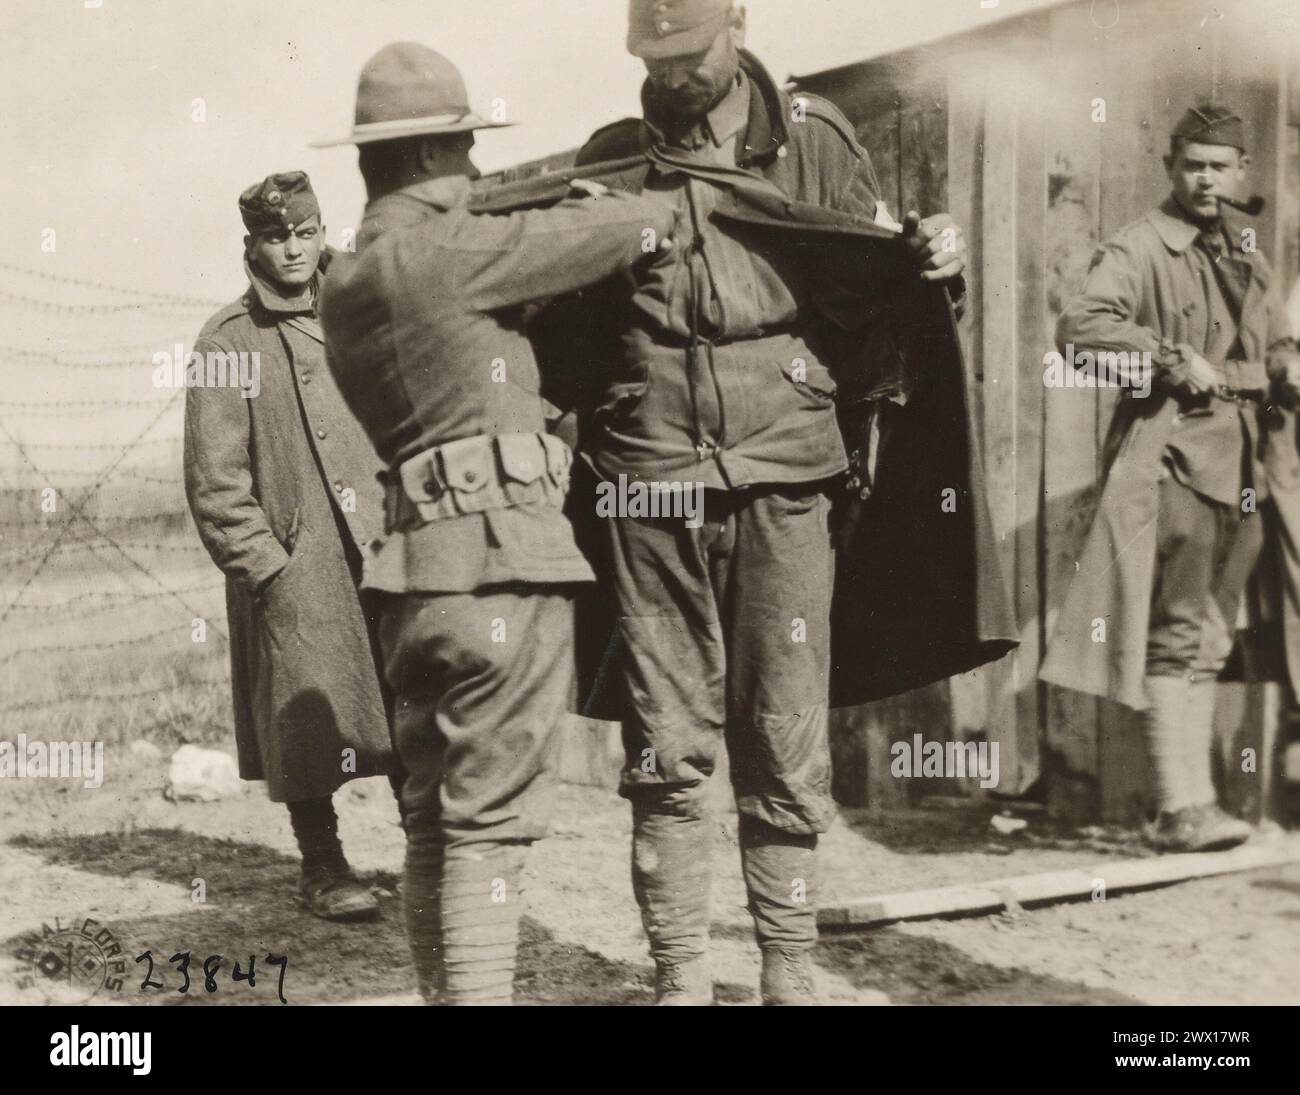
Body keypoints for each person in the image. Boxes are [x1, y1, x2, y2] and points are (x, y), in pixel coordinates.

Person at [544, 0, 972, 1005]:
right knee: (666, 742)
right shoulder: (608, 162)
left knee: (783, 729)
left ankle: (787, 965)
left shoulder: (814, 143)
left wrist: (934, 257)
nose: (674, 74)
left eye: (690, 53)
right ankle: (680, 978)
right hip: (648, 489)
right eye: (655, 56)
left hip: (785, 481)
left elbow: (878, 277)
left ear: (736, 25)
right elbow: (553, 313)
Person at [315, 42, 678, 1004]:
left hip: (413, 582)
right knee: (490, 832)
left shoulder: (347, 279)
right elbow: (639, 230)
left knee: (436, 823)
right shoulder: (451, 250)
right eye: (465, 151)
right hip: (500, 566)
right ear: (434, 155)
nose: (476, 171)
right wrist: (635, 208)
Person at [1041, 104, 1300, 852]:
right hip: (1180, 460)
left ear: (1241, 170)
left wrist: (1283, 366)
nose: (1206, 178)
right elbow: (1080, 328)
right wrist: (1163, 357)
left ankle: (1195, 804)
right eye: (1192, 165)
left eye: (1219, 166)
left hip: (1251, 464)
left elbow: (1275, 345)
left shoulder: (1249, 248)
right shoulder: (1140, 245)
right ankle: (1177, 804)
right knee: (1178, 630)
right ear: (1171, 168)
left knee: (1213, 633)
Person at [184, 171, 398, 922]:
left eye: (306, 232)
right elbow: (216, 484)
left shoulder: (364, 308)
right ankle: (322, 863)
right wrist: (270, 571)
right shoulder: (228, 342)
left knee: (412, 699)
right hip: (299, 563)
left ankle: (433, 849)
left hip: (386, 543)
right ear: (253, 245)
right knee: (305, 715)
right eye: (277, 237)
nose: (294, 249)